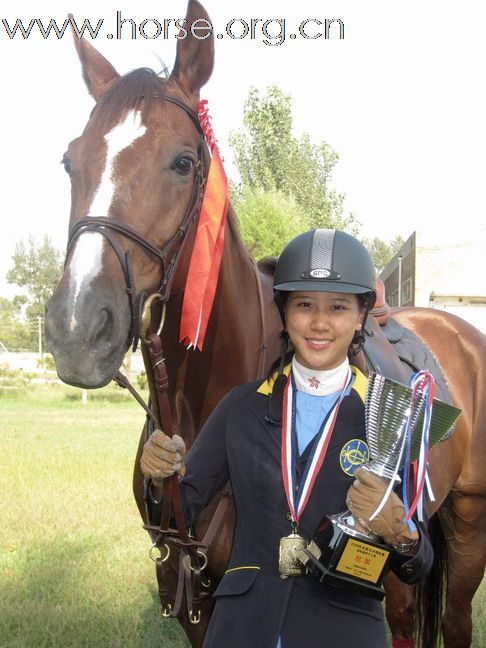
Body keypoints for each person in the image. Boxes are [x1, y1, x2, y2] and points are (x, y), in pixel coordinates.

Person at [140, 228, 433, 648]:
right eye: (304, 305)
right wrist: (159, 479)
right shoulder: (238, 408)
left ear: (360, 316)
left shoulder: (387, 417)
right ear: (284, 312)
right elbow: (177, 514)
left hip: (343, 630)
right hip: (242, 628)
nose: (319, 322)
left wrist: (400, 530)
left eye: (337, 307)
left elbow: (418, 565)